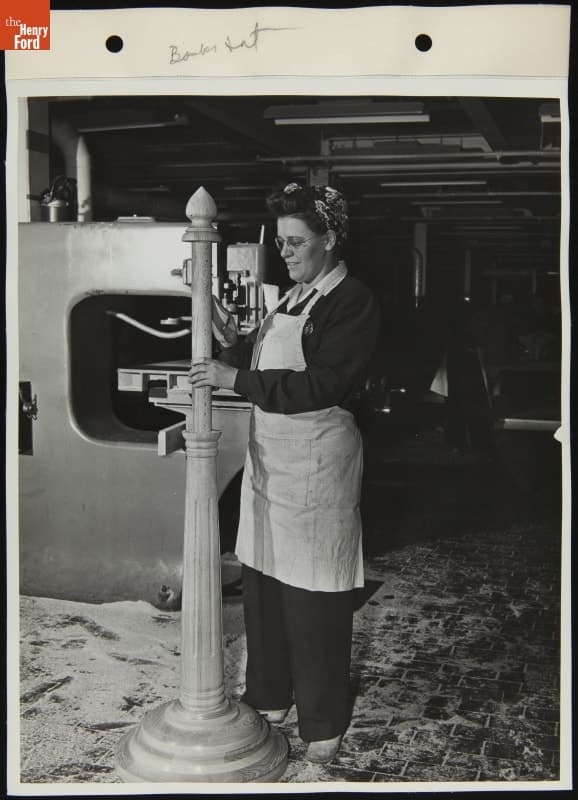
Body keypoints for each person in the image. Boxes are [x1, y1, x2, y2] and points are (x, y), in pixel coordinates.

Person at [188, 182, 380, 764]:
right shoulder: (291, 299)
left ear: (330, 239)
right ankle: (269, 696)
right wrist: (231, 341)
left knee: (314, 598)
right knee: (265, 586)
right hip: (271, 464)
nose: (286, 252)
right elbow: (257, 356)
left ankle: (323, 721)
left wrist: (235, 379)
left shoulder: (351, 301)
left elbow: (324, 383)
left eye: (296, 242)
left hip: (317, 463)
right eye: (281, 242)